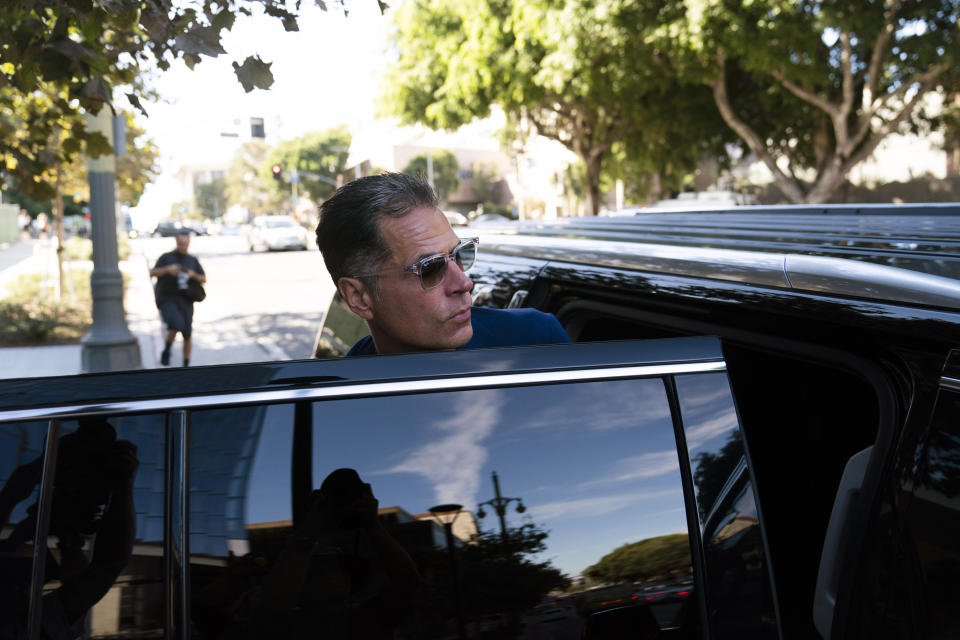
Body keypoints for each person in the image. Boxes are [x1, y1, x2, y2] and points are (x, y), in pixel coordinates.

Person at [316, 173, 569, 356]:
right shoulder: (345, 395)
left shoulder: (535, 342)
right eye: (430, 268)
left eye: (458, 255)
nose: (465, 283)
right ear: (359, 297)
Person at [149, 232, 206, 366]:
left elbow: (203, 278)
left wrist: (192, 275)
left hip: (186, 299)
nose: (183, 247)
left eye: (185, 244)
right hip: (167, 299)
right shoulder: (166, 257)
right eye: (181, 244)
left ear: (189, 243)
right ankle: (167, 350)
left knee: (187, 334)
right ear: (176, 242)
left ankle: (185, 365)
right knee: (176, 325)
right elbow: (152, 272)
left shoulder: (192, 260)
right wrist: (168, 270)